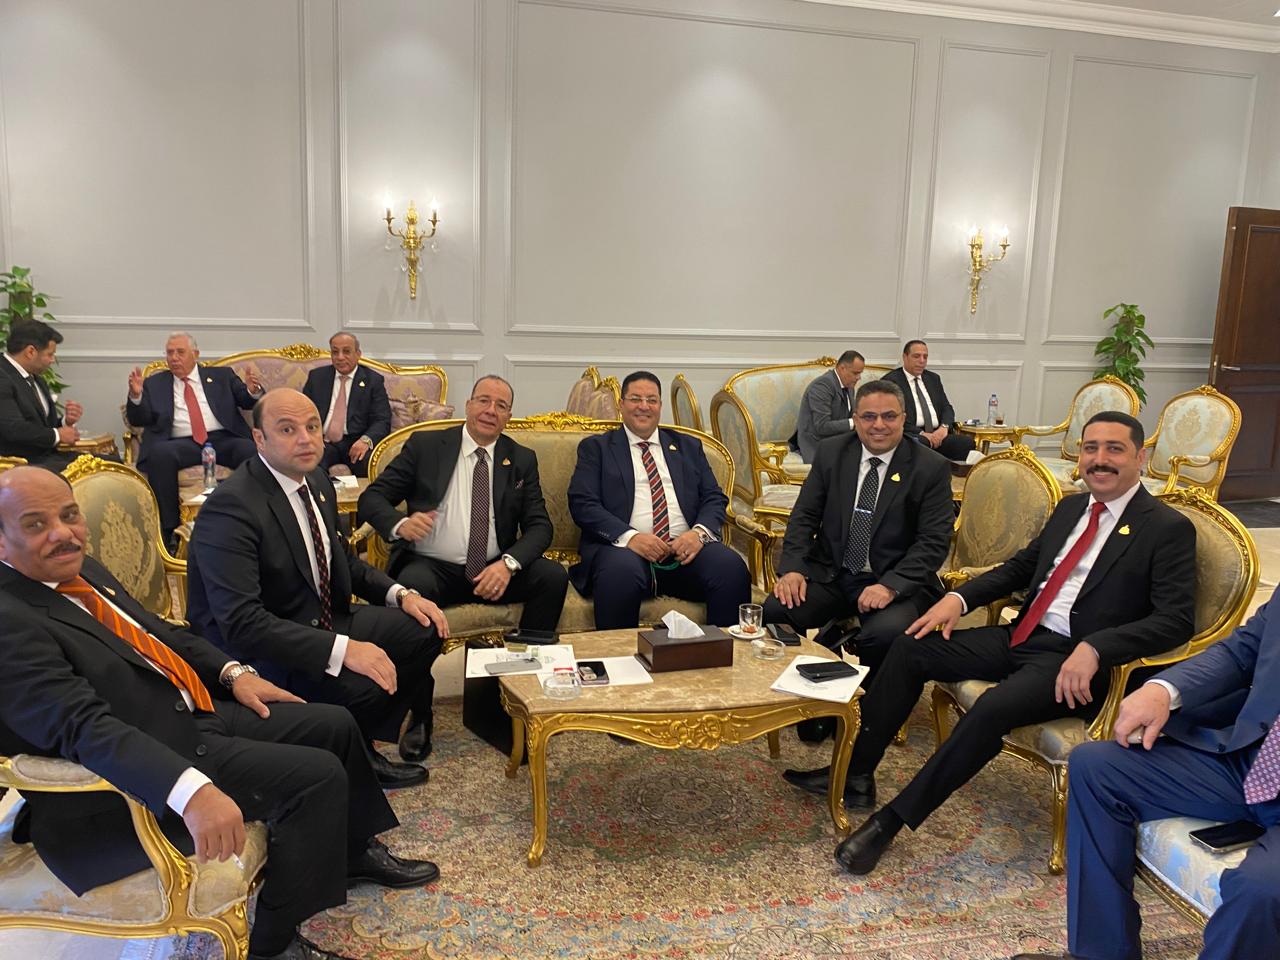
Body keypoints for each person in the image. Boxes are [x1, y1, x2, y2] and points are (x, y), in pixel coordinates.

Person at [0, 466, 440, 960]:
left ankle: (351, 854)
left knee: (332, 724)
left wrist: (234, 674)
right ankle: (273, 946)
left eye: (69, 515)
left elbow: (162, 634)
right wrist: (190, 790)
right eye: (35, 524)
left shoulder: (77, 571)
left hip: (183, 715)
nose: (63, 533)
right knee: (315, 777)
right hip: (131, 783)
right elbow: (83, 727)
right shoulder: (10, 621)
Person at [828, 411, 1197, 876]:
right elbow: (1021, 568)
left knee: (992, 707)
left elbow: (1176, 621)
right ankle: (858, 774)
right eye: (1090, 448)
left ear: (1141, 458)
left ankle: (890, 822)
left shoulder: (1165, 527)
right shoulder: (1071, 508)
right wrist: (959, 599)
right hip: (1024, 636)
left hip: (1076, 664)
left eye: (1114, 449)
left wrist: (1098, 647)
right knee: (910, 646)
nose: (1099, 459)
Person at [185, 389, 444, 783]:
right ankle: (348, 752)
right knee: (366, 682)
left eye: (312, 427)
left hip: (320, 617)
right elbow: (241, 624)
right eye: (288, 429)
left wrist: (402, 595)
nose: (306, 439)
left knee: (425, 628)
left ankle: (358, 739)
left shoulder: (317, 480)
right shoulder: (231, 506)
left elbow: (344, 562)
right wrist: (344, 650)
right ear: (259, 438)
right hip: (264, 647)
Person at [1014, 588, 1280, 960]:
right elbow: (1241, 652)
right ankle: (1101, 953)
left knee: (1260, 890)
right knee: (1097, 767)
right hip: (1255, 760)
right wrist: (1164, 690)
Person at [765, 379, 954, 677]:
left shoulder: (930, 467)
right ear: (855, 419)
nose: (879, 425)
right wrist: (793, 568)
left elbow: (933, 542)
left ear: (903, 419)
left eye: (889, 416)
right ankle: (797, 690)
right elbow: (804, 516)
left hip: (894, 577)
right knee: (777, 609)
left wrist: (890, 586)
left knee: (885, 634)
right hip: (833, 573)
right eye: (868, 416)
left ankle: (871, 703)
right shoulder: (832, 452)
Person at [358, 374, 568, 635]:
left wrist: (508, 564)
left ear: (508, 417)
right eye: (484, 401)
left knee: (552, 576)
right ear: (468, 405)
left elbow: (539, 525)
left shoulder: (521, 459)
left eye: (501, 406)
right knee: (413, 585)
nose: (491, 410)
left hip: (494, 569)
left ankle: (528, 651)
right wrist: (401, 524)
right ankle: (419, 660)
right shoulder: (426, 447)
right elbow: (371, 498)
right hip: (432, 567)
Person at [567, 370, 751, 629]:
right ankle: (621, 655)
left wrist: (698, 534)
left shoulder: (688, 447)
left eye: (651, 400)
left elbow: (713, 497)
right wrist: (631, 537)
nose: (644, 406)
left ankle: (720, 651)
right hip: (623, 551)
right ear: (621, 404)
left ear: (660, 406)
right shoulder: (597, 448)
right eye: (635, 399)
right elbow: (583, 503)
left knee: (730, 567)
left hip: (685, 551)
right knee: (619, 572)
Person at [126, 332, 263, 550]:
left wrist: (252, 391)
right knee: (161, 454)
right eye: (170, 353)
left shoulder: (221, 376)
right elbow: (139, 419)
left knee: (248, 449)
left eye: (180, 352)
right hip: (180, 442)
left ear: (196, 354)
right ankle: (170, 532)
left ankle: (257, 519)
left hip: (222, 438)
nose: (174, 358)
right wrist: (136, 397)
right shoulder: (155, 383)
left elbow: (247, 401)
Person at [302, 332, 391, 479]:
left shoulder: (373, 381)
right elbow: (303, 413)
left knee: (368, 463)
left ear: (358, 354)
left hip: (356, 441)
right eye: (335, 352)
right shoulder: (317, 377)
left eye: (346, 351)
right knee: (311, 467)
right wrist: (313, 436)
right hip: (323, 441)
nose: (340, 357)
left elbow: (382, 420)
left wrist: (365, 440)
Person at [0, 319, 84, 469]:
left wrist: (65, 422)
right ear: (30, 352)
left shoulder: (36, 378)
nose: (52, 360)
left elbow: (41, 426)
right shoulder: (2, 376)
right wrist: (57, 435)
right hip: (22, 464)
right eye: (50, 354)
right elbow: (13, 428)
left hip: (47, 458)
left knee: (113, 463)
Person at [883, 339, 975, 461]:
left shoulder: (933, 378)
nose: (922, 361)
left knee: (966, 443)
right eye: (916, 356)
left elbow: (947, 408)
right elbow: (892, 417)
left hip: (938, 434)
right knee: (921, 443)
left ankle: (949, 472)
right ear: (905, 357)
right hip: (913, 435)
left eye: (925, 357)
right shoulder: (891, 381)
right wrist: (922, 434)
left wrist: (944, 428)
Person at [789, 350, 866, 464]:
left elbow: (852, 415)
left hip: (839, 441)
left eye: (860, 373)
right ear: (842, 368)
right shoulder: (822, 386)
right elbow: (822, 426)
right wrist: (854, 422)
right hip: (816, 444)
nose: (859, 377)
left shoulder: (849, 385)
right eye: (855, 373)